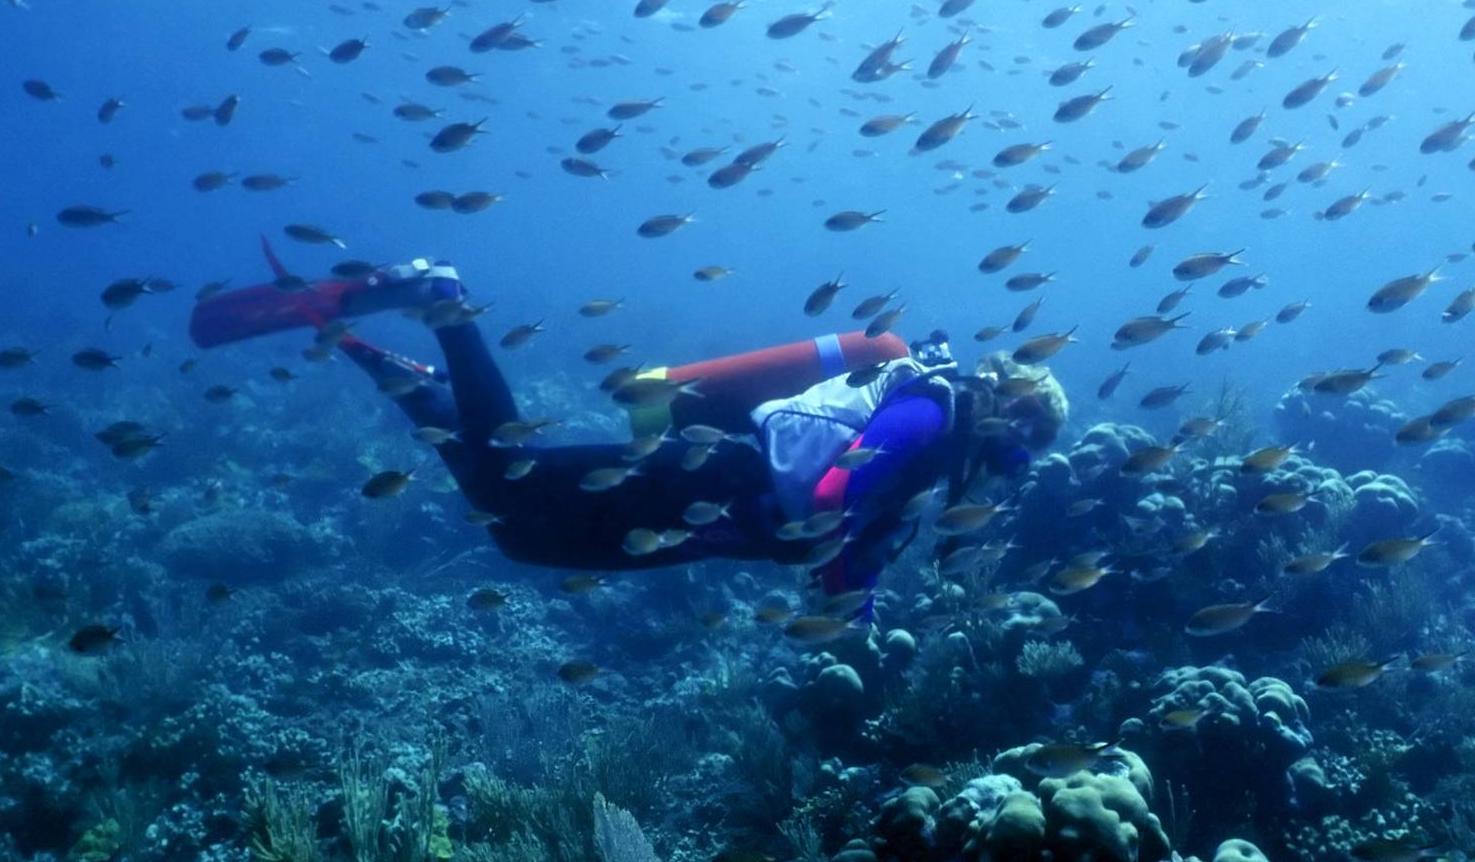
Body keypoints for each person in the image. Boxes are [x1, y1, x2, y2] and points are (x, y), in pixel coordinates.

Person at [190, 248, 1068, 613]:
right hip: (702, 481)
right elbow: (839, 489)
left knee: (520, 536)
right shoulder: (931, 414)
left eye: (1041, 432)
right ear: (1001, 393)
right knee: (508, 474)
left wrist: (855, 599)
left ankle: (408, 379)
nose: (1024, 433)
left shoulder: (941, 466)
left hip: (710, 522)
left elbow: (861, 530)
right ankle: (445, 306)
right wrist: (837, 579)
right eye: (1028, 410)